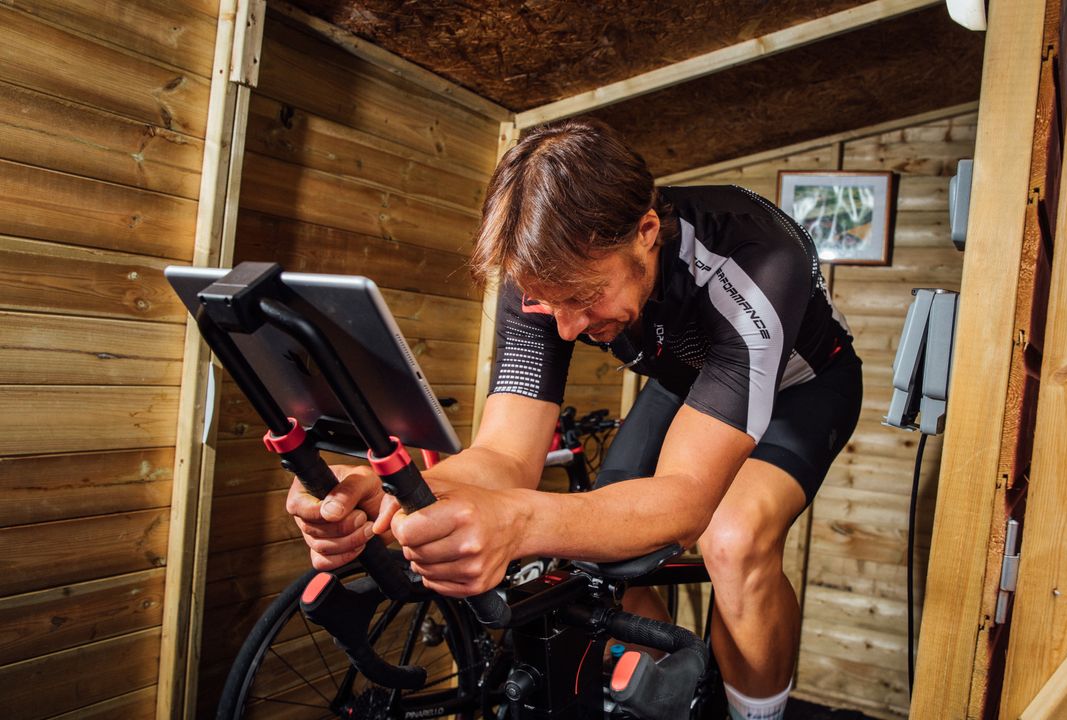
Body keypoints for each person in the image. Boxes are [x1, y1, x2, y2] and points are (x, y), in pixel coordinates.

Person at [286, 118, 862, 720]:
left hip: (808, 387)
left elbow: (686, 502)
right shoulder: (542, 271)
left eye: (585, 297)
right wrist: (391, 489)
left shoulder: (755, 259)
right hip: (689, 381)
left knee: (733, 539)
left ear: (646, 232)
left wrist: (519, 521)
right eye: (547, 303)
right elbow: (505, 457)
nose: (565, 328)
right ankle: (673, 702)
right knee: (605, 544)